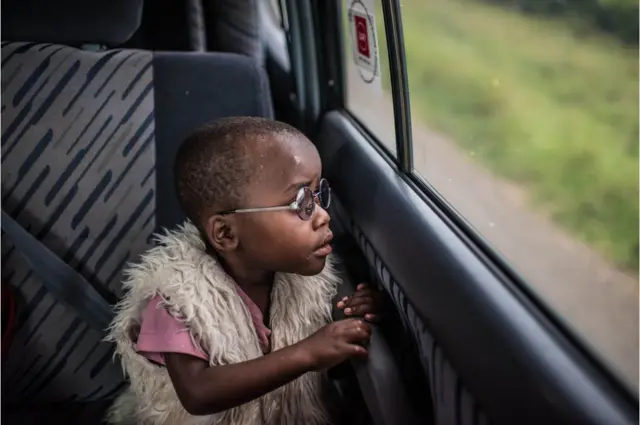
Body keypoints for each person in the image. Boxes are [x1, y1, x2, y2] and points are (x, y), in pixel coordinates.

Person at [105, 117, 381, 425]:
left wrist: (348, 326)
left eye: (318, 195)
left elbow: (323, 369)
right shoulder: (176, 299)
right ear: (225, 233)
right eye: (301, 201)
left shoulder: (305, 283)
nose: (322, 216)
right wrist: (309, 352)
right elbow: (198, 393)